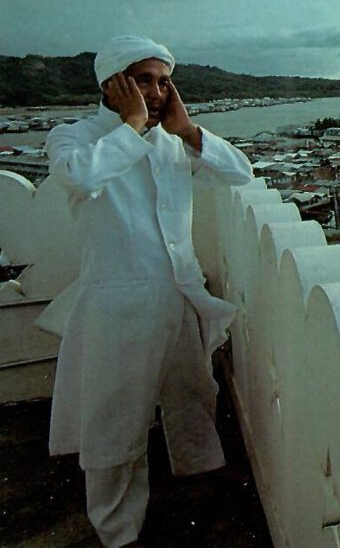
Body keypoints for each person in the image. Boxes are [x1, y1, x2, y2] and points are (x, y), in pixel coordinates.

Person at [37, 35, 254, 547]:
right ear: (112, 84)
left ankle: (200, 468)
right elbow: (78, 178)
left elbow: (240, 172)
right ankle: (116, 526)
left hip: (179, 292)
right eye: (142, 80)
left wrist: (188, 130)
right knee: (116, 416)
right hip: (119, 300)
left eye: (162, 81)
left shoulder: (171, 140)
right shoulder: (75, 137)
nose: (156, 92)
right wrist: (133, 126)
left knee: (193, 390)